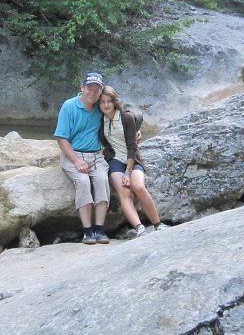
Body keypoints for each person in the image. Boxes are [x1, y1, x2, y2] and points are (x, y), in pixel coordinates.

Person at [98, 85, 167, 238]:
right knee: (124, 191)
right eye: (102, 102)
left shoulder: (126, 117)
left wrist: (128, 172)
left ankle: (157, 224)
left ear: (114, 102)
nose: (106, 105)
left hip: (132, 159)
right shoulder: (99, 120)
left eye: (109, 101)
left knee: (139, 187)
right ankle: (139, 227)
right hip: (114, 159)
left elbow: (132, 146)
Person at [54, 72, 110, 245]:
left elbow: (121, 116)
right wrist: (76, 161)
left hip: (95, 155)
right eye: (89, 89)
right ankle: (87, 231)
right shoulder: (69, 106)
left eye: (96, 90)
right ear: (82, 87)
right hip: (73, 154)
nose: (92, 93)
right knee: (84, 182)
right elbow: (61, 138)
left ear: (101, 91)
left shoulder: (101, 106)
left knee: (102, 180)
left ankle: (99, 229)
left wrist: (134, 130)